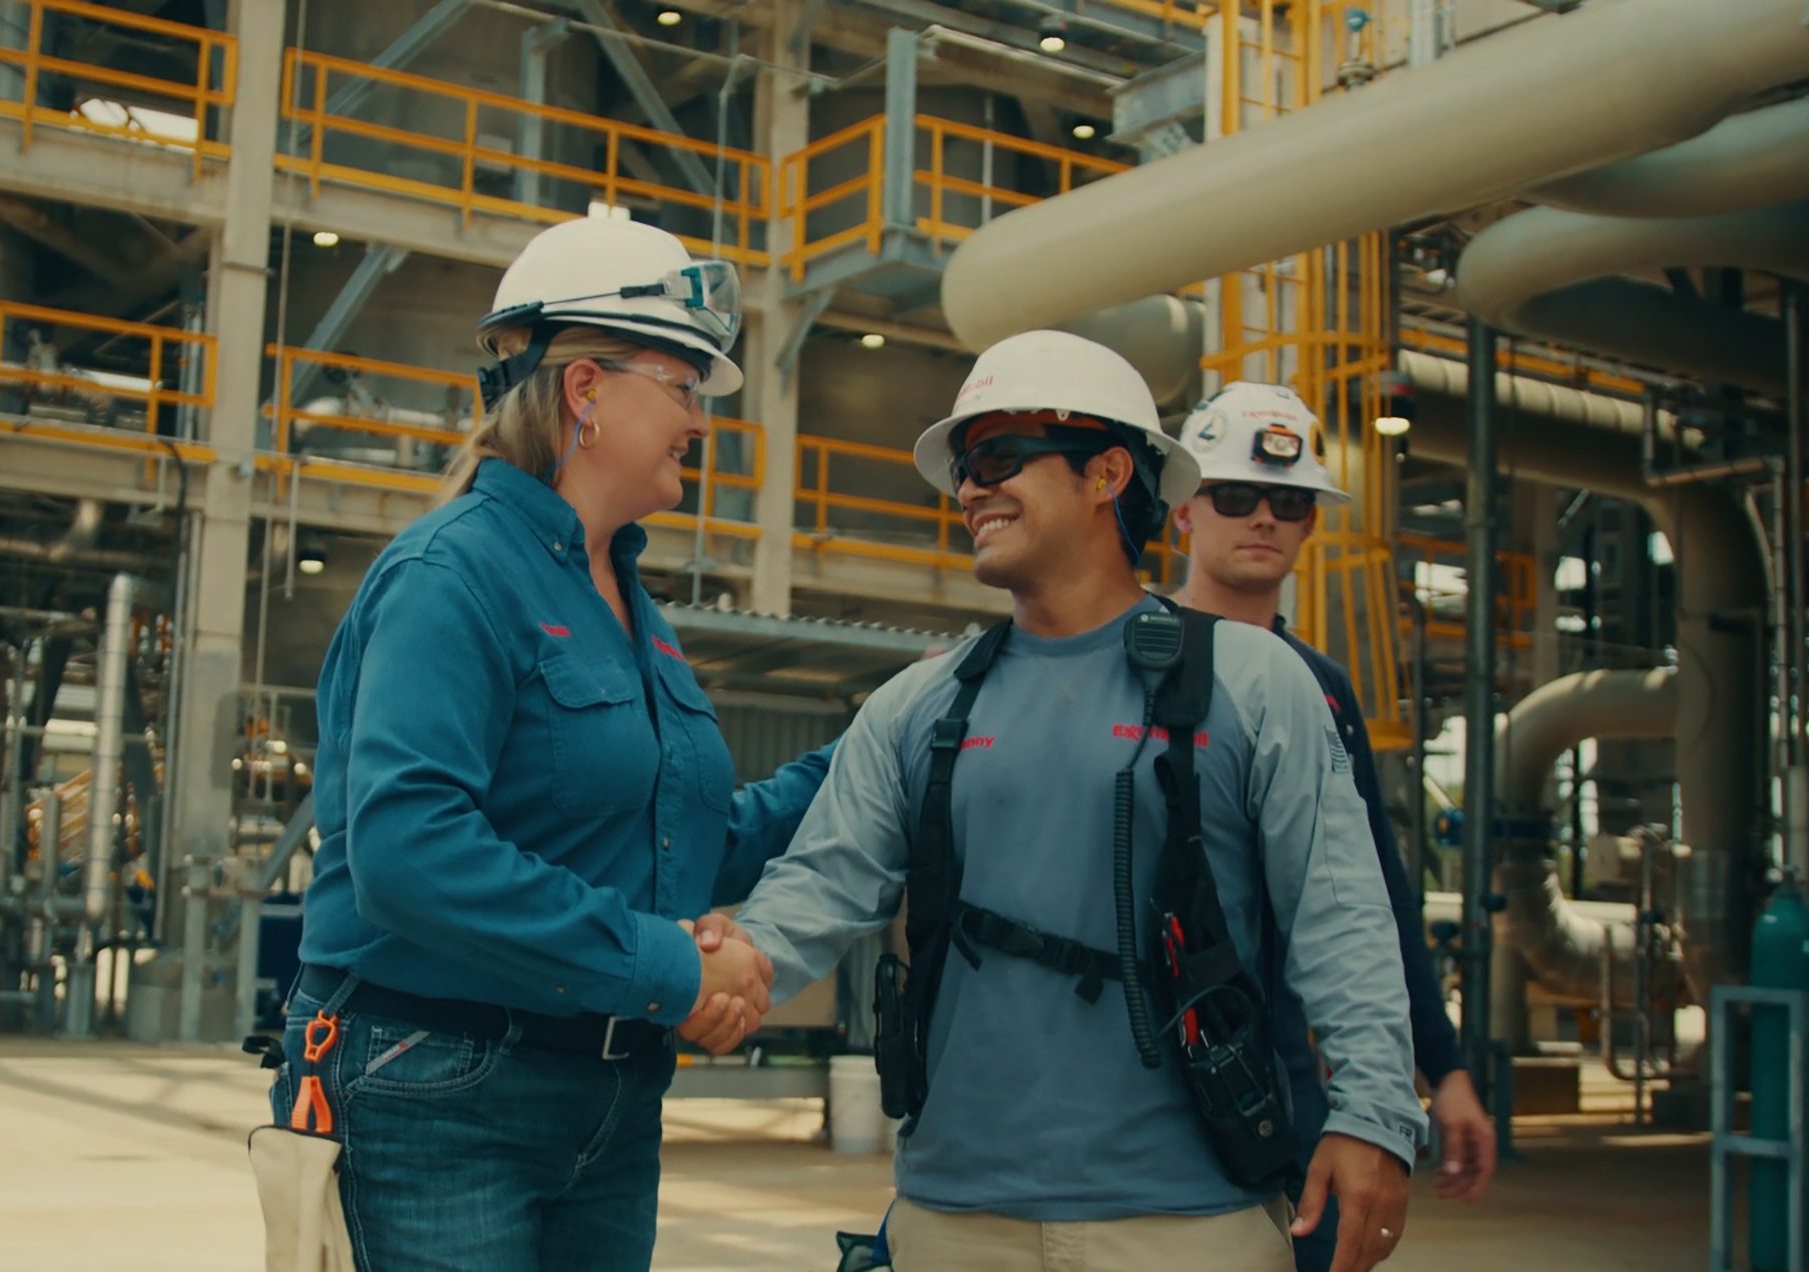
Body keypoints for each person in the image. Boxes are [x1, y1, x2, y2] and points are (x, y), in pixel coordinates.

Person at [696, 331, 1426, 1272]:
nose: (969, 489)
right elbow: (821, 885)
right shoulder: (919, 705)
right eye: (964, 466)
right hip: (954, 1219)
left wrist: (1376, 1113)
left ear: (1108, 472)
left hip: (1189, 1224)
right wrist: (724, 963)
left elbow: (1341, 915)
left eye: (999, 456)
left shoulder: (1254, 682)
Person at [268, 217, 833, 1271]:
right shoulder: (455, 576)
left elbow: (686, 842)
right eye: (683, 385)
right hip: (437, 1087)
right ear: (584, 390)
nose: (699, 421)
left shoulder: (627, 600)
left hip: (609, 1094)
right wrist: (669, 961)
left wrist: (882, 748)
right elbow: (410, 849)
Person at [1169, 381, 1497, 1272]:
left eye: (1289, 502)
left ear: (1312, 523)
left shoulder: (1322, 689)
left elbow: (1375, 897)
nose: (1263, 518)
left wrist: (1443, 1066)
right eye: (1235, 497)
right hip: (1143, 1069)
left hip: (1280, 1067)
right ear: (1182, 515)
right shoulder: (1123, 666)